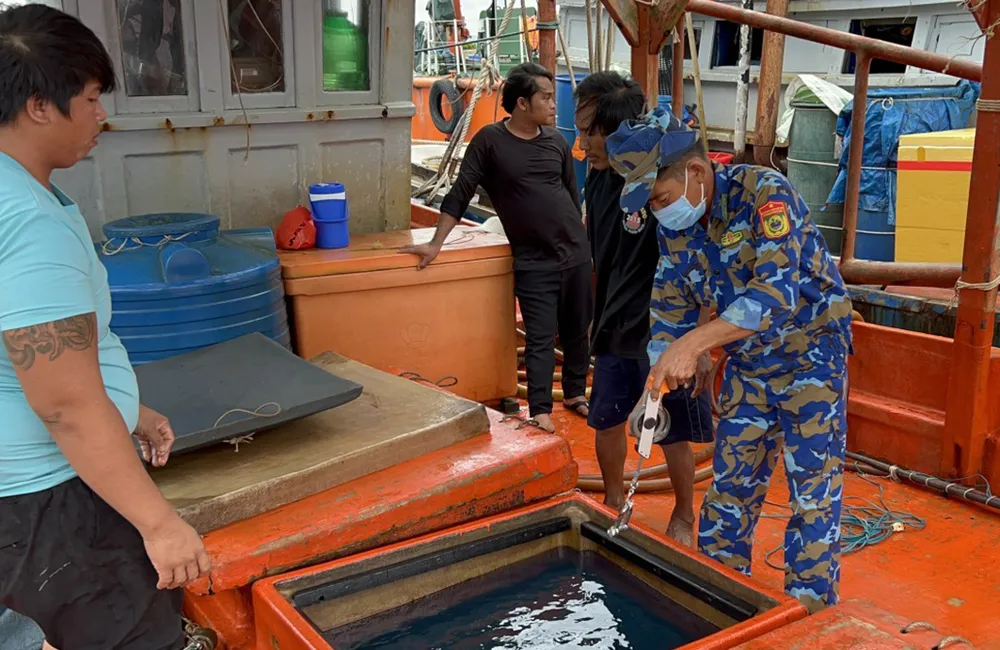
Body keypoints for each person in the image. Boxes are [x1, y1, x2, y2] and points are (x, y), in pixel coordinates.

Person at [0, 5, 211, 649]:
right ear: (40, 105)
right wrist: (159, 523)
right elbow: (64, 405)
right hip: (49, 501)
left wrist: (129, 409)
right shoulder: (29, 222)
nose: (101, 116)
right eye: (91, 99)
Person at [606, 106, 853, 613]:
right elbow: (670, 307)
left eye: (661, 198)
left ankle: (809, 616)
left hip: (811, 359)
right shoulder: (674, 227)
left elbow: (774, 295)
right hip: (748, 363)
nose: (659, 211)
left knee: (812, 496)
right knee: (729, 491)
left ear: (696, 172)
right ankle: (718, 604)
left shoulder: (765, 195)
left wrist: (695, 346)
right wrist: (654, 389)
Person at [402, 62, 592, 433]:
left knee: (577, 330)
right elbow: (460, 193)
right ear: (522, 103)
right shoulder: (489, 141)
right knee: (540, 336)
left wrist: (586, 245)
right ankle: (540, 409)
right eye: (546, 98)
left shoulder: (556, 141)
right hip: (534, 260)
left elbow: (571, 196)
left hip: (575, 253)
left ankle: (574, 393)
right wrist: (435, 244)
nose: (554, 105)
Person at [574, 72, 714, 546]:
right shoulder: (596, 178)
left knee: (671, 429)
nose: (582, 143)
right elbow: (601, 253)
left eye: (589, 132)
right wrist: (596, 314)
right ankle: (614, 499)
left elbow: (695, 268)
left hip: (664, 327)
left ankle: (684, 513)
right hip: (614, 323)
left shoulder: (665, 185)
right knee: (606, 417)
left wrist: (697, 341)